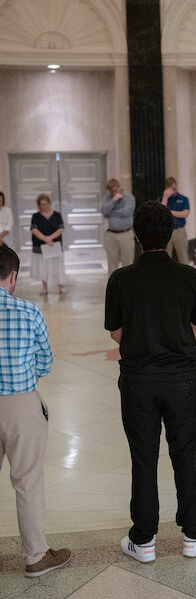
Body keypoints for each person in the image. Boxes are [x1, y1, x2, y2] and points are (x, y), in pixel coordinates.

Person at [104, 201, 196, 563]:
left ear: (137, 236)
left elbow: (116, 333)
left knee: (143, 459)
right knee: (185, 455)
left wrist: (144, 343)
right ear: (170, 234)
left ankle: (143, 541)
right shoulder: (189, 277)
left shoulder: (120, 279)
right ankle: (194, 535)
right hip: (183, 380)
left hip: (138, 380)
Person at [0, 245, 71, 577]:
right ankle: (36, 557)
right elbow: (45, 362)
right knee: (27, 482)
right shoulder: (28, 312)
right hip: (20, 404)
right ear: (13, 276)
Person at [31, 194, 66, 296]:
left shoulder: (57, 215)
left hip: (54, 245)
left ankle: (61, 286)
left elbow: (61, 229)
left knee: (57, 266)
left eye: (46, 204)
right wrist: (45, 239)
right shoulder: (36, 216)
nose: (45, 206)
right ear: (39, 205)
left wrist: (50, 238)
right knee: (43, 267)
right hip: (41, 246)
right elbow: (34, 230)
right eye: (42, 204)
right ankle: (44, 287)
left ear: (49, 203)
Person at [101, 178, 136, 275]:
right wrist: (113, 200)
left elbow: (127, 212)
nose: (114, 193)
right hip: (111, 235)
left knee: (127, 264)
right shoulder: (107, 198)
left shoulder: (129, 198)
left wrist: (111, 213)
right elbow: (103, 211)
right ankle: (114, 288)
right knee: (112, 265)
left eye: (115, 190)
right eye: (111, 192)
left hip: (126, 234)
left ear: (120, 187)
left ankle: (127, 288)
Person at [162, 176, 190, 264]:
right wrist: (165, 197)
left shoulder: (183, 199)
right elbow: (161, 212)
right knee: (166, 258)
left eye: (174, 188)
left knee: (183, 257)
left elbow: (185, 214)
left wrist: (170, 212)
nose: (173, 191)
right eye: (171, 189)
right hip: (167, 231)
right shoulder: (164, 199)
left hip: (179, 230)